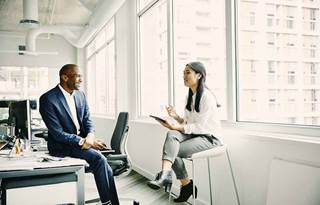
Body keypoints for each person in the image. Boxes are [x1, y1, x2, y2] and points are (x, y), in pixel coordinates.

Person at [39, 64, 119, 205]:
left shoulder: (80, 95)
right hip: (62, 145)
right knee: (99, 159)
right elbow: (58, 134)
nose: (81, 79)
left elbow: (88, 120)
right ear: (65, 77)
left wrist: (90, 136)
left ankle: (111, 202)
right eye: (78, 76)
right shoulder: (48, 99)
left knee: (104, 163)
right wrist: (85, 142)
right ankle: (109, 202)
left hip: (82, 141)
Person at [147, 62, 222, 203]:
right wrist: (175, 117)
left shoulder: (207, 97)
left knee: (172, 149)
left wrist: (176, 127)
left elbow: (200, 127)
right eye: (183, 73)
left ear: (199, 75)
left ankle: (179, 182)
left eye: (188, 72)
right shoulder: (190, 97)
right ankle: (171, 177)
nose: (184, 76)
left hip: (210, 138)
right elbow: (188, 124)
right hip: (196, 135)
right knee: (171, 135)